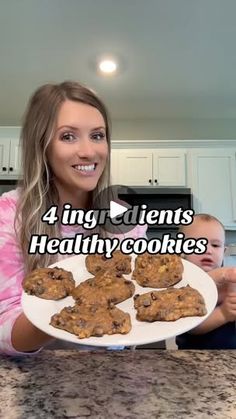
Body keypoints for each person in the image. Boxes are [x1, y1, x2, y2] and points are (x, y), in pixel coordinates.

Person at [0, 81, 147, 356]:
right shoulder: (9, 215)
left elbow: (137, 305)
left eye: (97, 135)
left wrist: (211, 291)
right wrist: (69, 312)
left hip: (111, 375)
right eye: (68, 136)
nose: (89, 151)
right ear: (41, 146)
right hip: (35, 382)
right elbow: (3, 330)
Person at [176, 213, 236, 349]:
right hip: (192, 359)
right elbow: (191, 327)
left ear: (224, 251)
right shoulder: (182, 284)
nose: (208, 250)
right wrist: (224, 313)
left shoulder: (229, 282)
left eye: (215, 245)